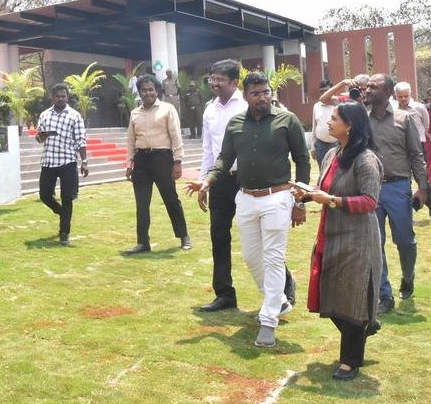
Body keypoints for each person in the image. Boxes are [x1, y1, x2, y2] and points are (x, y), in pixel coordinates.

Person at [198, 72, 310, 348]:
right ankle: (279, 300)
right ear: (246, 96)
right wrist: (208, 181)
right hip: (246, 197)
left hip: (278, 197)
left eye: (266, 91)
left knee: (273, 258)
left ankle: (268, 320)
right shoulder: (236, 123)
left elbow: (302, 160)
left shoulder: (287, 120)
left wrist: (300, 201)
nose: (263, 97)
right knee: (250, 256)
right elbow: (225, 158)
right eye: (256, 93)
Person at [187, 60, 296, 313]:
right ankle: (224, 293)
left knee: (264, 239)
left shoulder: (250, 103)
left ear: (234, 82)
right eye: (213, 78)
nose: (214, 83)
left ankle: (284, 289)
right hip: (219, 180)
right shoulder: (209, 110)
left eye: (220, 79)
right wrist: (205, 182)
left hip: (248, 180)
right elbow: (209, 150)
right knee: (218, 235)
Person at [294, 101, 383, 381]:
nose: (328, 122)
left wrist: (332, 200)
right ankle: (364, 327)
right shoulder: (332, 153)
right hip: (330, 233)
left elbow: (369, 201)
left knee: (352, 296)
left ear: (350, 126)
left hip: (358, 238)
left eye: (334, 118)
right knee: (331, 291)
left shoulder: (365, 159)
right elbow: (325, 189)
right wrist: (308, 194)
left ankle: (350, 361)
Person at [363, 74, 429, 312]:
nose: (368, 90)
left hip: (398, 187)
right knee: (374, 242)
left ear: (388, 92)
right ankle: (384, 295)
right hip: (371, 189)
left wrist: (423, 187)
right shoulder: (362, 120)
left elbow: (416, 154)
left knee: (405, 241)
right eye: (368, 87)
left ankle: (408, 276)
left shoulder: (405, 118)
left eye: (374, 87)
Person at [124, 74, 191, 254]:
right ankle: (142, 242)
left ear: (157, 91)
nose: (147, 93)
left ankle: (184, 236)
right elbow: (130, 140)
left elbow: (176, 135)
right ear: (139, 93)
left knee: (171, 199)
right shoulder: (135, 113)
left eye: (150, 90)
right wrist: (129, 163)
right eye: (143, 90)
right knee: (141, 203)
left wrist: (178, 161)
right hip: (141, 161)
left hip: (162, 158)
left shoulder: (167, 109)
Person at [35, 84, 89, 245]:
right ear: (52, 97)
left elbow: (81, 141)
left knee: (67, 198)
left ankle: (64, 233)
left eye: (63, 96)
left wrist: (84, 161)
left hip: (68, 162)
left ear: (67, 97)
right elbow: (39, 137)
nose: (60, 99)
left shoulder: (75, 116)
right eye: (57, 96)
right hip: (48, 161)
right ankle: (61, 213)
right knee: (44, 195)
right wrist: (40, 136)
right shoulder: (45, 115)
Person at [395, 81, 431, 220]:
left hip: (418, 146)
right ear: (396, 95)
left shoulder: (419, 107)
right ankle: (406, 212)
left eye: (406, 96)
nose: (403, 99)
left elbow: (426, 124)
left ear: (410, 94)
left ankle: (430, 204)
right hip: (401, 148)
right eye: (400, 96)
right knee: (404, 178)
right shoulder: (393, 110)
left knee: (422, 176)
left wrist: (419, 136)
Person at [310, 79, 338, 165]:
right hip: (321, 145)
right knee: (323, 170)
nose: (324, 93)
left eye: (326, 90)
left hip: (337, 144)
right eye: (322, 91)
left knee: (337, 170)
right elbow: (314, 127)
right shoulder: (316, 106)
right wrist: (313, 147)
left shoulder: (338, 105)